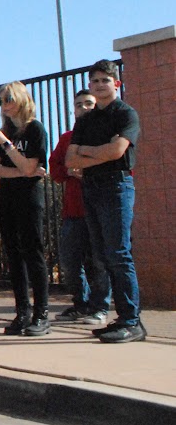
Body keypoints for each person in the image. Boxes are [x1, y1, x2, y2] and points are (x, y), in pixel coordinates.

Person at [65, 59, 144, 343]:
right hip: (91, 187)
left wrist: (89, 153)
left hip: (116, 186)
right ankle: (117, 317)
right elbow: (70, 160)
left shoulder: (125, 114)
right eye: (95, 81)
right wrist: (96, 151)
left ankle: (132, 321)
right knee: (101, 254)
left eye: (105, 80)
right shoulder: (85, 120)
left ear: (116, 83)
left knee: (119, 253)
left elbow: (118, 151)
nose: (99, 85)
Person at [0, 82, 50, 337]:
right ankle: (22, 312)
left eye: (7, 99)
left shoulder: (34, 129)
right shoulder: (5, 131)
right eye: (0, 101)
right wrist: (21, 170)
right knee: (13, 253)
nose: (4, 105)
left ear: (20, 99)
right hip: (7, 196)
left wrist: (8, 146)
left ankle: (41, 313)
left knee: (33, 251)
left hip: (29, 197)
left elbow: (31, 168)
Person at [49, 89, 110, 326]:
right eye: (79, 104)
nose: (84, 108)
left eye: (89, 103)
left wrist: (90, 169)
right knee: (70, 261)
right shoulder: (66, 139)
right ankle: (80, 304)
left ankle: (100, 307)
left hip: (100, 209)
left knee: (99, 262)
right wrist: (69, 171)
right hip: (73, 212)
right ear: (73, 110)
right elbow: (55, 169)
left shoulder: (106, 136)